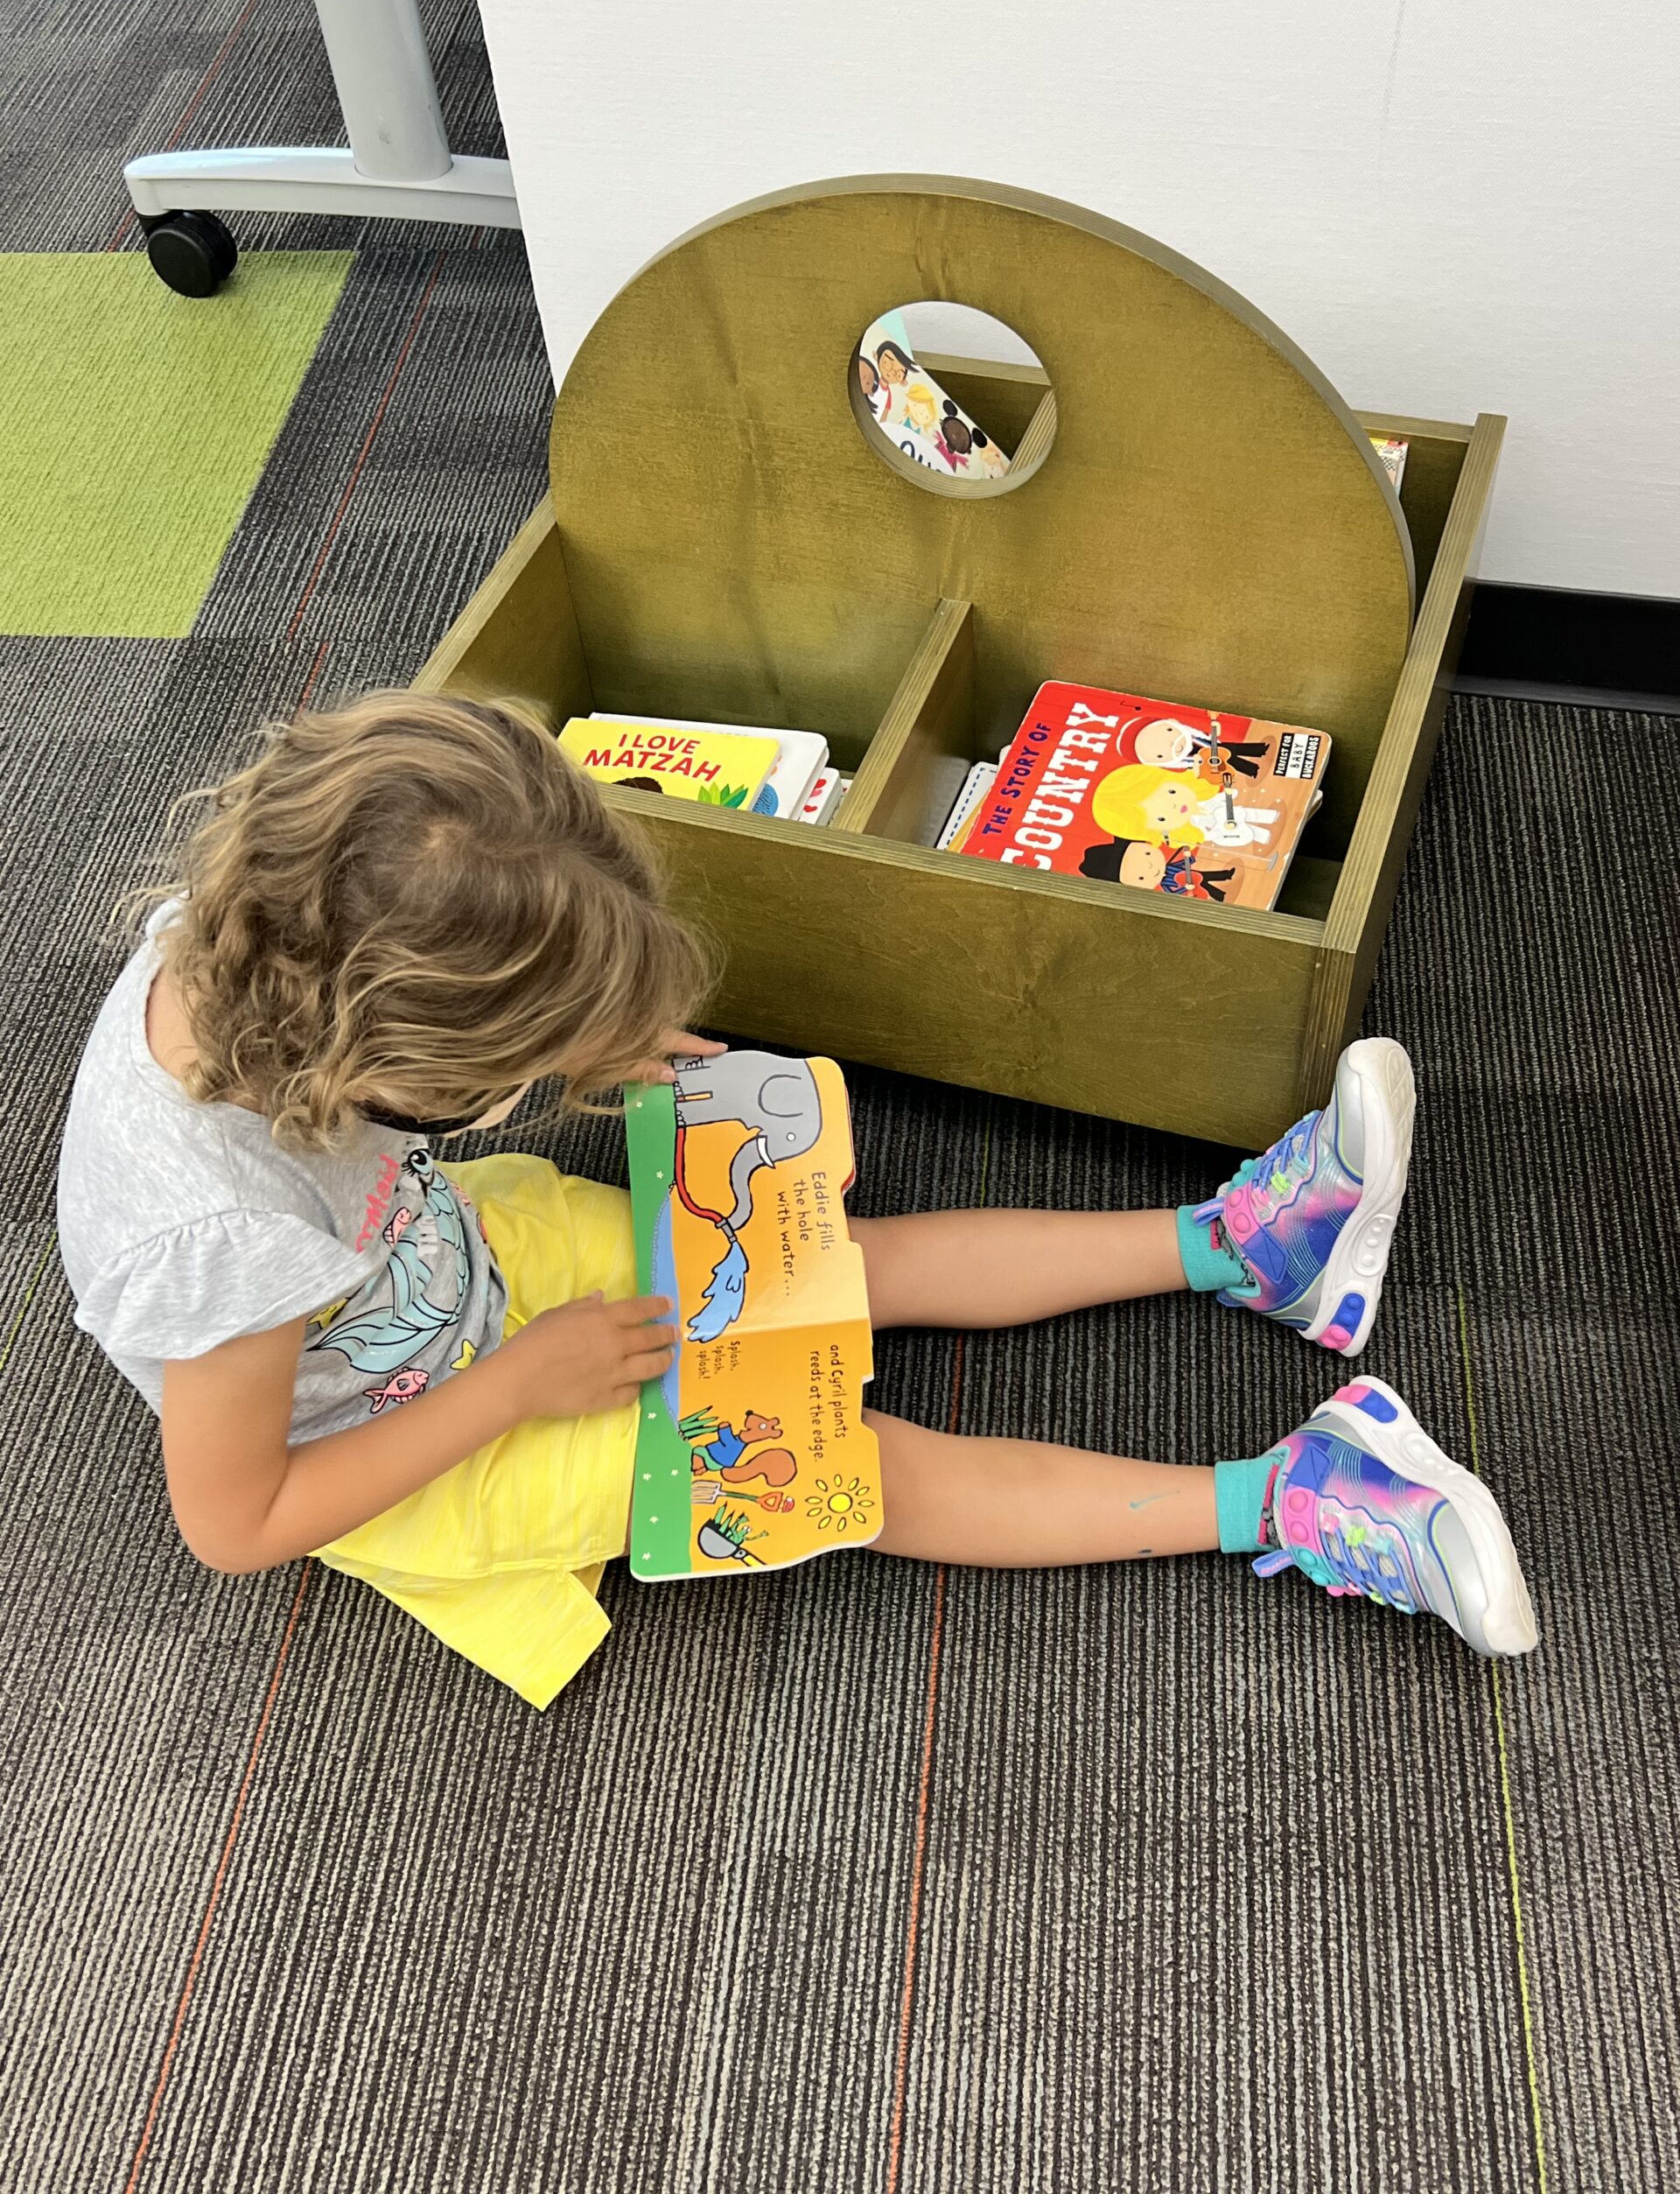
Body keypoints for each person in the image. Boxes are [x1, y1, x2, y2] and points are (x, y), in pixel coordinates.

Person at [56, 694, 1536, 1711]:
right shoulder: (213, 1241)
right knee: (846, 1462)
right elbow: (242, 1521)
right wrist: (520, 1383)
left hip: (441, 1260)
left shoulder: (273, 919)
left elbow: (433, 1010)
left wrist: (589, 1036)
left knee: (826, 1263)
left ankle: (1248, 1247)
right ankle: (1286, 1498)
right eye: (530, 1063)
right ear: (407, 1061)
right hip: (412, 1443)